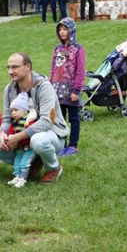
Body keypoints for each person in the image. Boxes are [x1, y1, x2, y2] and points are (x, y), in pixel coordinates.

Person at [0, 52, 69, 184]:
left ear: (27, 66)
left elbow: (47, 121)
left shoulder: (44, 87)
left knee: (38, 140)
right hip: (22, 138)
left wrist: (18, 137)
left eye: (15, 67)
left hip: (52, 134)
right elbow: (7, 118)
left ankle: (53, 168)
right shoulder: (9, 89)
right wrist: (2, 133)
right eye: (8, 67)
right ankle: (29, 163)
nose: (10, 72)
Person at [51, 18, 86, 157]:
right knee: (59, 119)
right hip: (57, 90)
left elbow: (81, 70)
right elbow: (53, 69)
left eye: (65, 29)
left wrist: (77, 90)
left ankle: (73, 145)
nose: (62, 32)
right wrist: (50, 85)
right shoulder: (57, 49)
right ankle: (61, 145)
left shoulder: (78, 49)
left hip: (71, 91)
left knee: (73, 118)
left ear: (71, 30)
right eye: (60, 29)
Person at [5, 92, 37, 188]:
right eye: (11, 111)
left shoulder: (29, 121)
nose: (13, 113)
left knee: (24, 163)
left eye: (16, 110)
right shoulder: (14, 122)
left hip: (28, 148)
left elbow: (30, 133)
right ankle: (17, 176)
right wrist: (9, 137)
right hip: (19, 148)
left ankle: (23, 179)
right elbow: (11, 131)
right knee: (17, 162)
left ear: (24, 111)